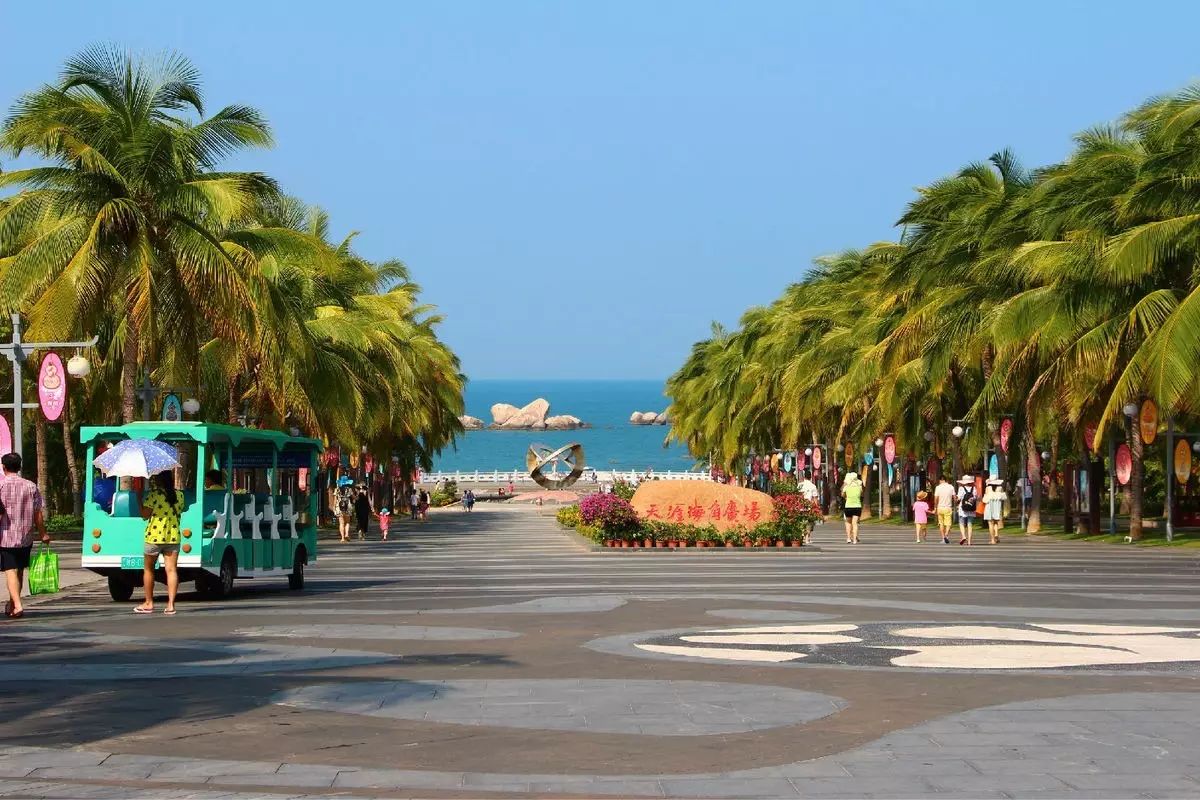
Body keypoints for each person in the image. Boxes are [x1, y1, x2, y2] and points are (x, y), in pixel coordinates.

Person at [0, 453, 49, 619]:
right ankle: (13, 603)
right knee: (19, 569)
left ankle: (18, 604)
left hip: (5, 536)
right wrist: (43, 533)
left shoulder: (0, 486)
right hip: (26, 536)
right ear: (19, 466)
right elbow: (38, 514)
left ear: (3, 467)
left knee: (9, 570)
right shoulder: (31, 486)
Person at [137, 471, 183, 615]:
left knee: (149, 569)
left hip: (154, 537)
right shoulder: (179, 495)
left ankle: (149, 603)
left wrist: (139, 500)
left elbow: (145, 515)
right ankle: (170, 605)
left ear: (158, 480)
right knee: (171, 570)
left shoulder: (154, 495)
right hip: (173, 536)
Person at [841, 472, 864, 544]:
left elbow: (842, 495)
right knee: (855, 523)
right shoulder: (859, 487)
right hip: (857, 506)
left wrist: (847, 497)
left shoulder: (846, 487)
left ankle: (848, 538)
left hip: (848, 506)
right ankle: (854, 539)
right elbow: (861, 494)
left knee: (848, 523)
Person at [983, 478, 1007, 545]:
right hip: (997, 506)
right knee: (996, 522)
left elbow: (985, 499)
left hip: (989, 506)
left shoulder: (988, 488)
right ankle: (996, 535)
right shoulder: (1000, 488)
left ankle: (992, 540)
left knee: (990, 523)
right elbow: (1003, 497)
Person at [933, 475, 955, 544]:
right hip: (948, 507)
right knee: (948, 524)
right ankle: (946, 536)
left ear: (940, 480)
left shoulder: (938, 487)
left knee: (941, 523)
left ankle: (943, 538)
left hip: (940, 507)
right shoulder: (951, 487)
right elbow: (954, 497)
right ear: (946, 480)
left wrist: (935, 507)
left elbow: (936, 498)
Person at [798, 472, 819, 544]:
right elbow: (815, 498)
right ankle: (807, 539)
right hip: (809, 507)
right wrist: (816, 507)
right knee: (809, 523)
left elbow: (797, 496)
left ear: (804, 477)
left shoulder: (799, 485)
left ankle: (802, 537)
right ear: (811, 477)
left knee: (801, 522)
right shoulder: (813, 486)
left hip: (800, 506)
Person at [956, 475, 977, 546]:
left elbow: (959, 498)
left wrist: (957, 501)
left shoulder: (961, 488)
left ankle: (963, 536)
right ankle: (969, 541)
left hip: (963, 508)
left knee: (961, 522)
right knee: (970, 524)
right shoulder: (974, 488)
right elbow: (975, 498)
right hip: (971, 508)